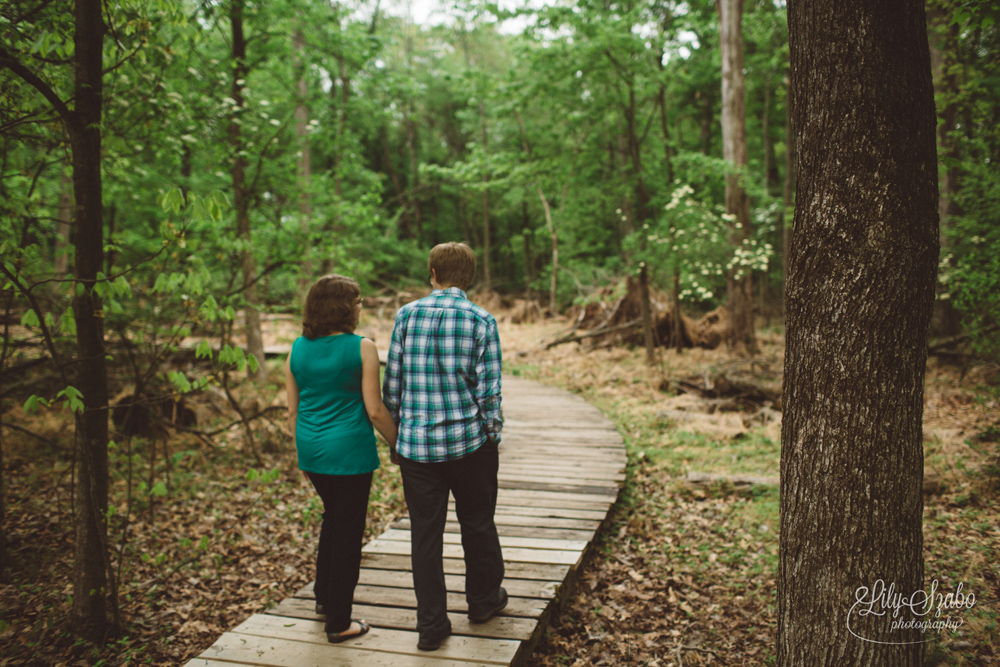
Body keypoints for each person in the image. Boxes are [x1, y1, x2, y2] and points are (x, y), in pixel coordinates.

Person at [382, 242, 506, 651]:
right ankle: (483, 602)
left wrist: (398, 437)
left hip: (417, 448)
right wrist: (493, 435)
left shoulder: (406, 315)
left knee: (425, 535)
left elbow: (393, 387)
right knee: (477, 522)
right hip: (469, 443)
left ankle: (432, 626)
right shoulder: (482, 320)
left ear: (432, 272)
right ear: (469, 277)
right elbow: (489, 392)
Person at [285, 274, 398, 644]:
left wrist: (302, 454)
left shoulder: (297, 348)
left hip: (313, 449)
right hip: (348, 452)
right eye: (358, 300)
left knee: (332, 519)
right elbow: (375, 409)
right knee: (348, 532)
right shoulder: (362, 347)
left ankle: (324, 598)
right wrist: (400, 446)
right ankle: (339, 621)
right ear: (343, 306)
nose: (361, 305)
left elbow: (292, 410)